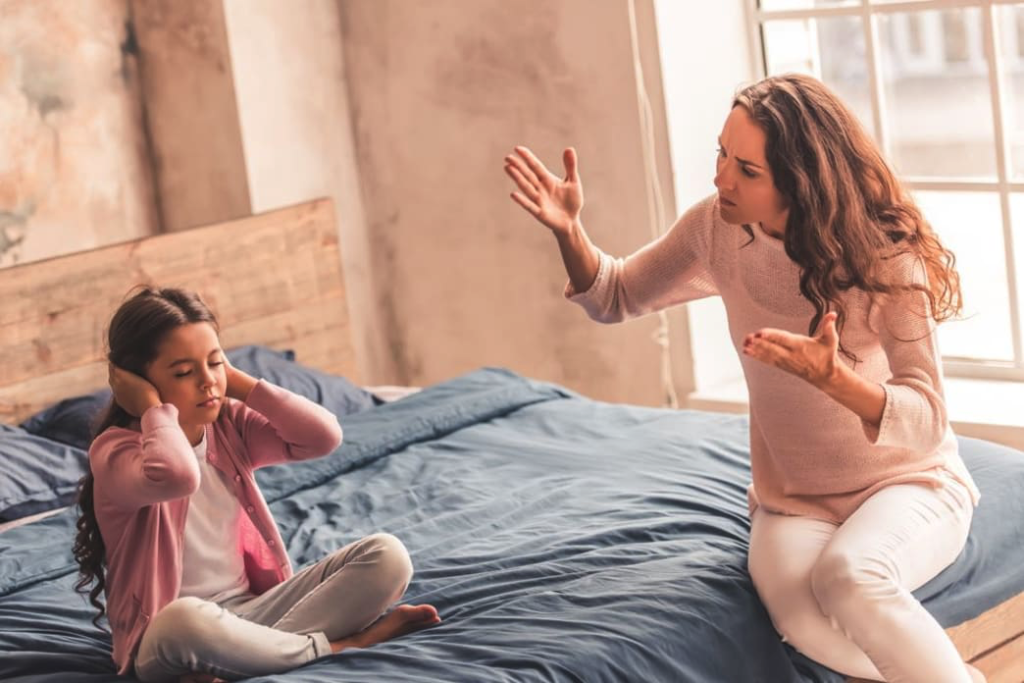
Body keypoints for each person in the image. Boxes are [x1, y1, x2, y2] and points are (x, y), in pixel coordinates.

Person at [504, 73, 983, 683]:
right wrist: (570, 232)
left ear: (803, 183)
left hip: (910, 483)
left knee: (850, 576)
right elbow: (616, 295)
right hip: (793, 502)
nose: (720, 178)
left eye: (747, 170)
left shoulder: (886, 256)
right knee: (804, 623)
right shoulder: (716, 228)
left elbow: (927, 420)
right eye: (722, 155)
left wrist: (836, 381)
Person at [72, 287, 440, 683]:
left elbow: (323, 437)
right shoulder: (114, 453)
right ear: (137, 382)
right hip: (169, 638)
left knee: (387, 555)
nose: (207, 382)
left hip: (258, 610)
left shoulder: (229, 425)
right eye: (183, 372)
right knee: (184, 620)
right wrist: (149, 409)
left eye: (215, 363)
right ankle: (334, 647)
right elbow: (179, 475)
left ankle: (246, 658)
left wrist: (241, 385)